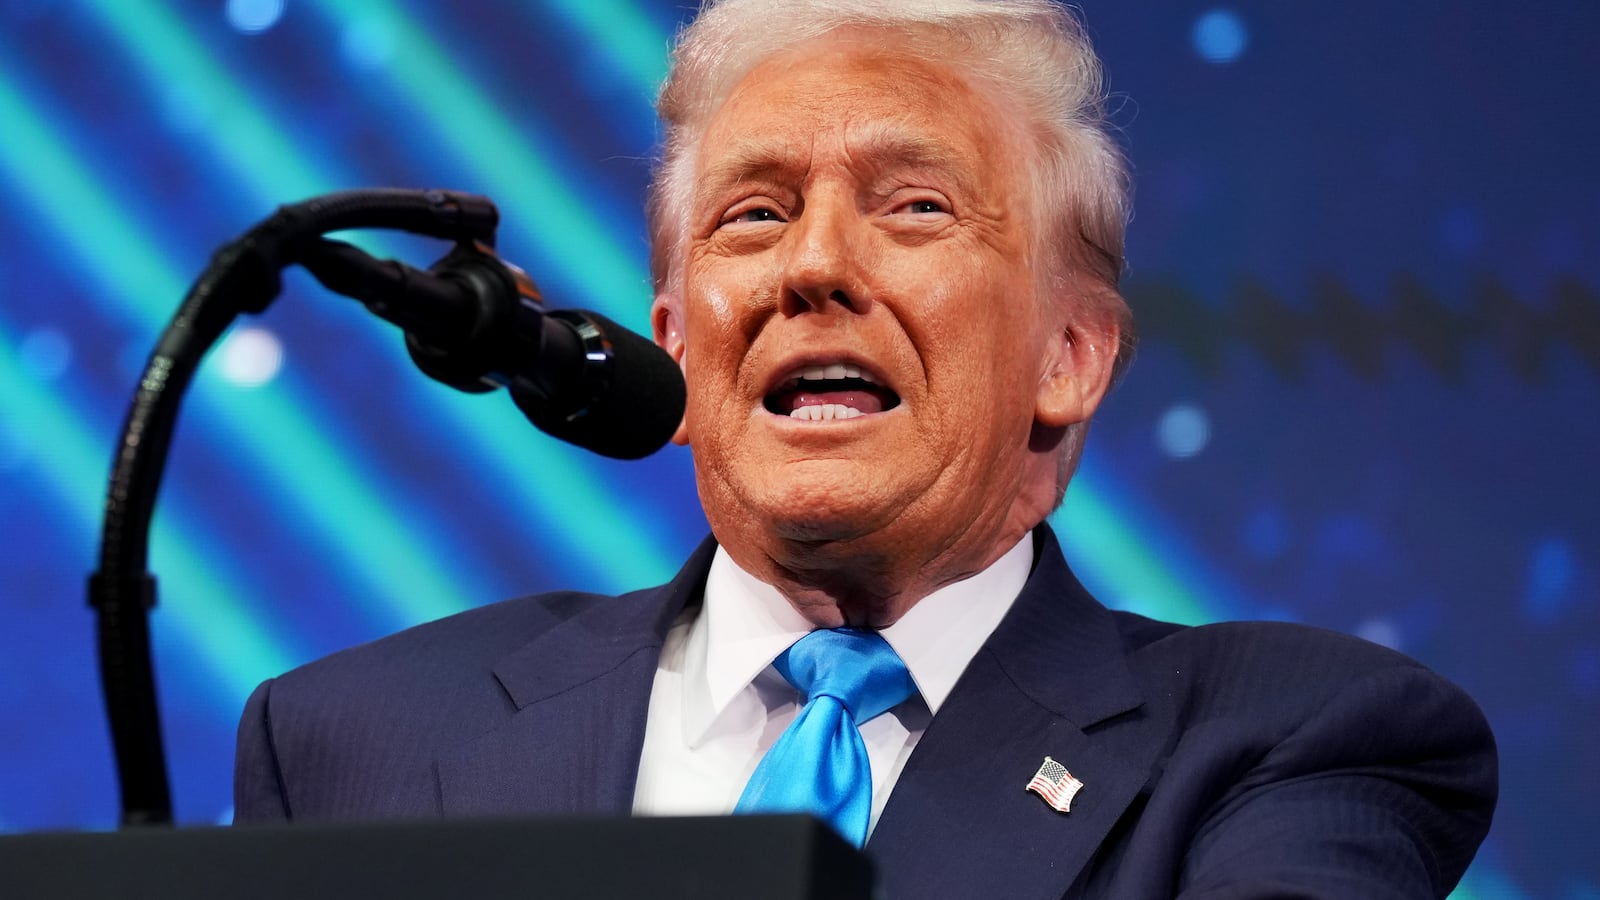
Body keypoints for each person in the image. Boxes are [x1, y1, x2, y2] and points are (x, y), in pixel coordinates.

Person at [233, 1, 1497, 896]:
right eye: (754, 214)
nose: (815, 265)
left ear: (1069, 357)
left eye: (916, 208)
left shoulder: (1282, 745)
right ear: (674, 346)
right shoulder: (357, 740)